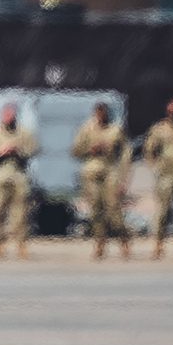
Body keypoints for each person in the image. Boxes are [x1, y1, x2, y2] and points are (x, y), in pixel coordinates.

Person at [71, 102, 131, 259]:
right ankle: (100, 242)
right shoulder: (86, 129)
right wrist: (89, 149)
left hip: (110, 170)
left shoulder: (115, 130)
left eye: (103, 113)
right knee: (96, 208)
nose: (101, 116)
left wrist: (123, 177)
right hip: (91, 171)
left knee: (113, 208)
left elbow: (126, 153)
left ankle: (123, 240)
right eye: (98, 113)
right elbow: (75, 151)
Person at [0, 102, 37, 259]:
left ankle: (21, 244)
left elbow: (33, 149)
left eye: (11, 115)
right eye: (6, 115)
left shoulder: (23, 133)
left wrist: (18, 150)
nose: (8, 118)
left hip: (19, 176)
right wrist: (0, 152)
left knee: (21, 213)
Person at [142, 97, 173, 259]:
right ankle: (158, 245)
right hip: (166, 174)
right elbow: (149, 149)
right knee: (162, 210)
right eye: (172, 105)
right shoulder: (159, 129)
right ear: (167, 108)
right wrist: (155, 166)